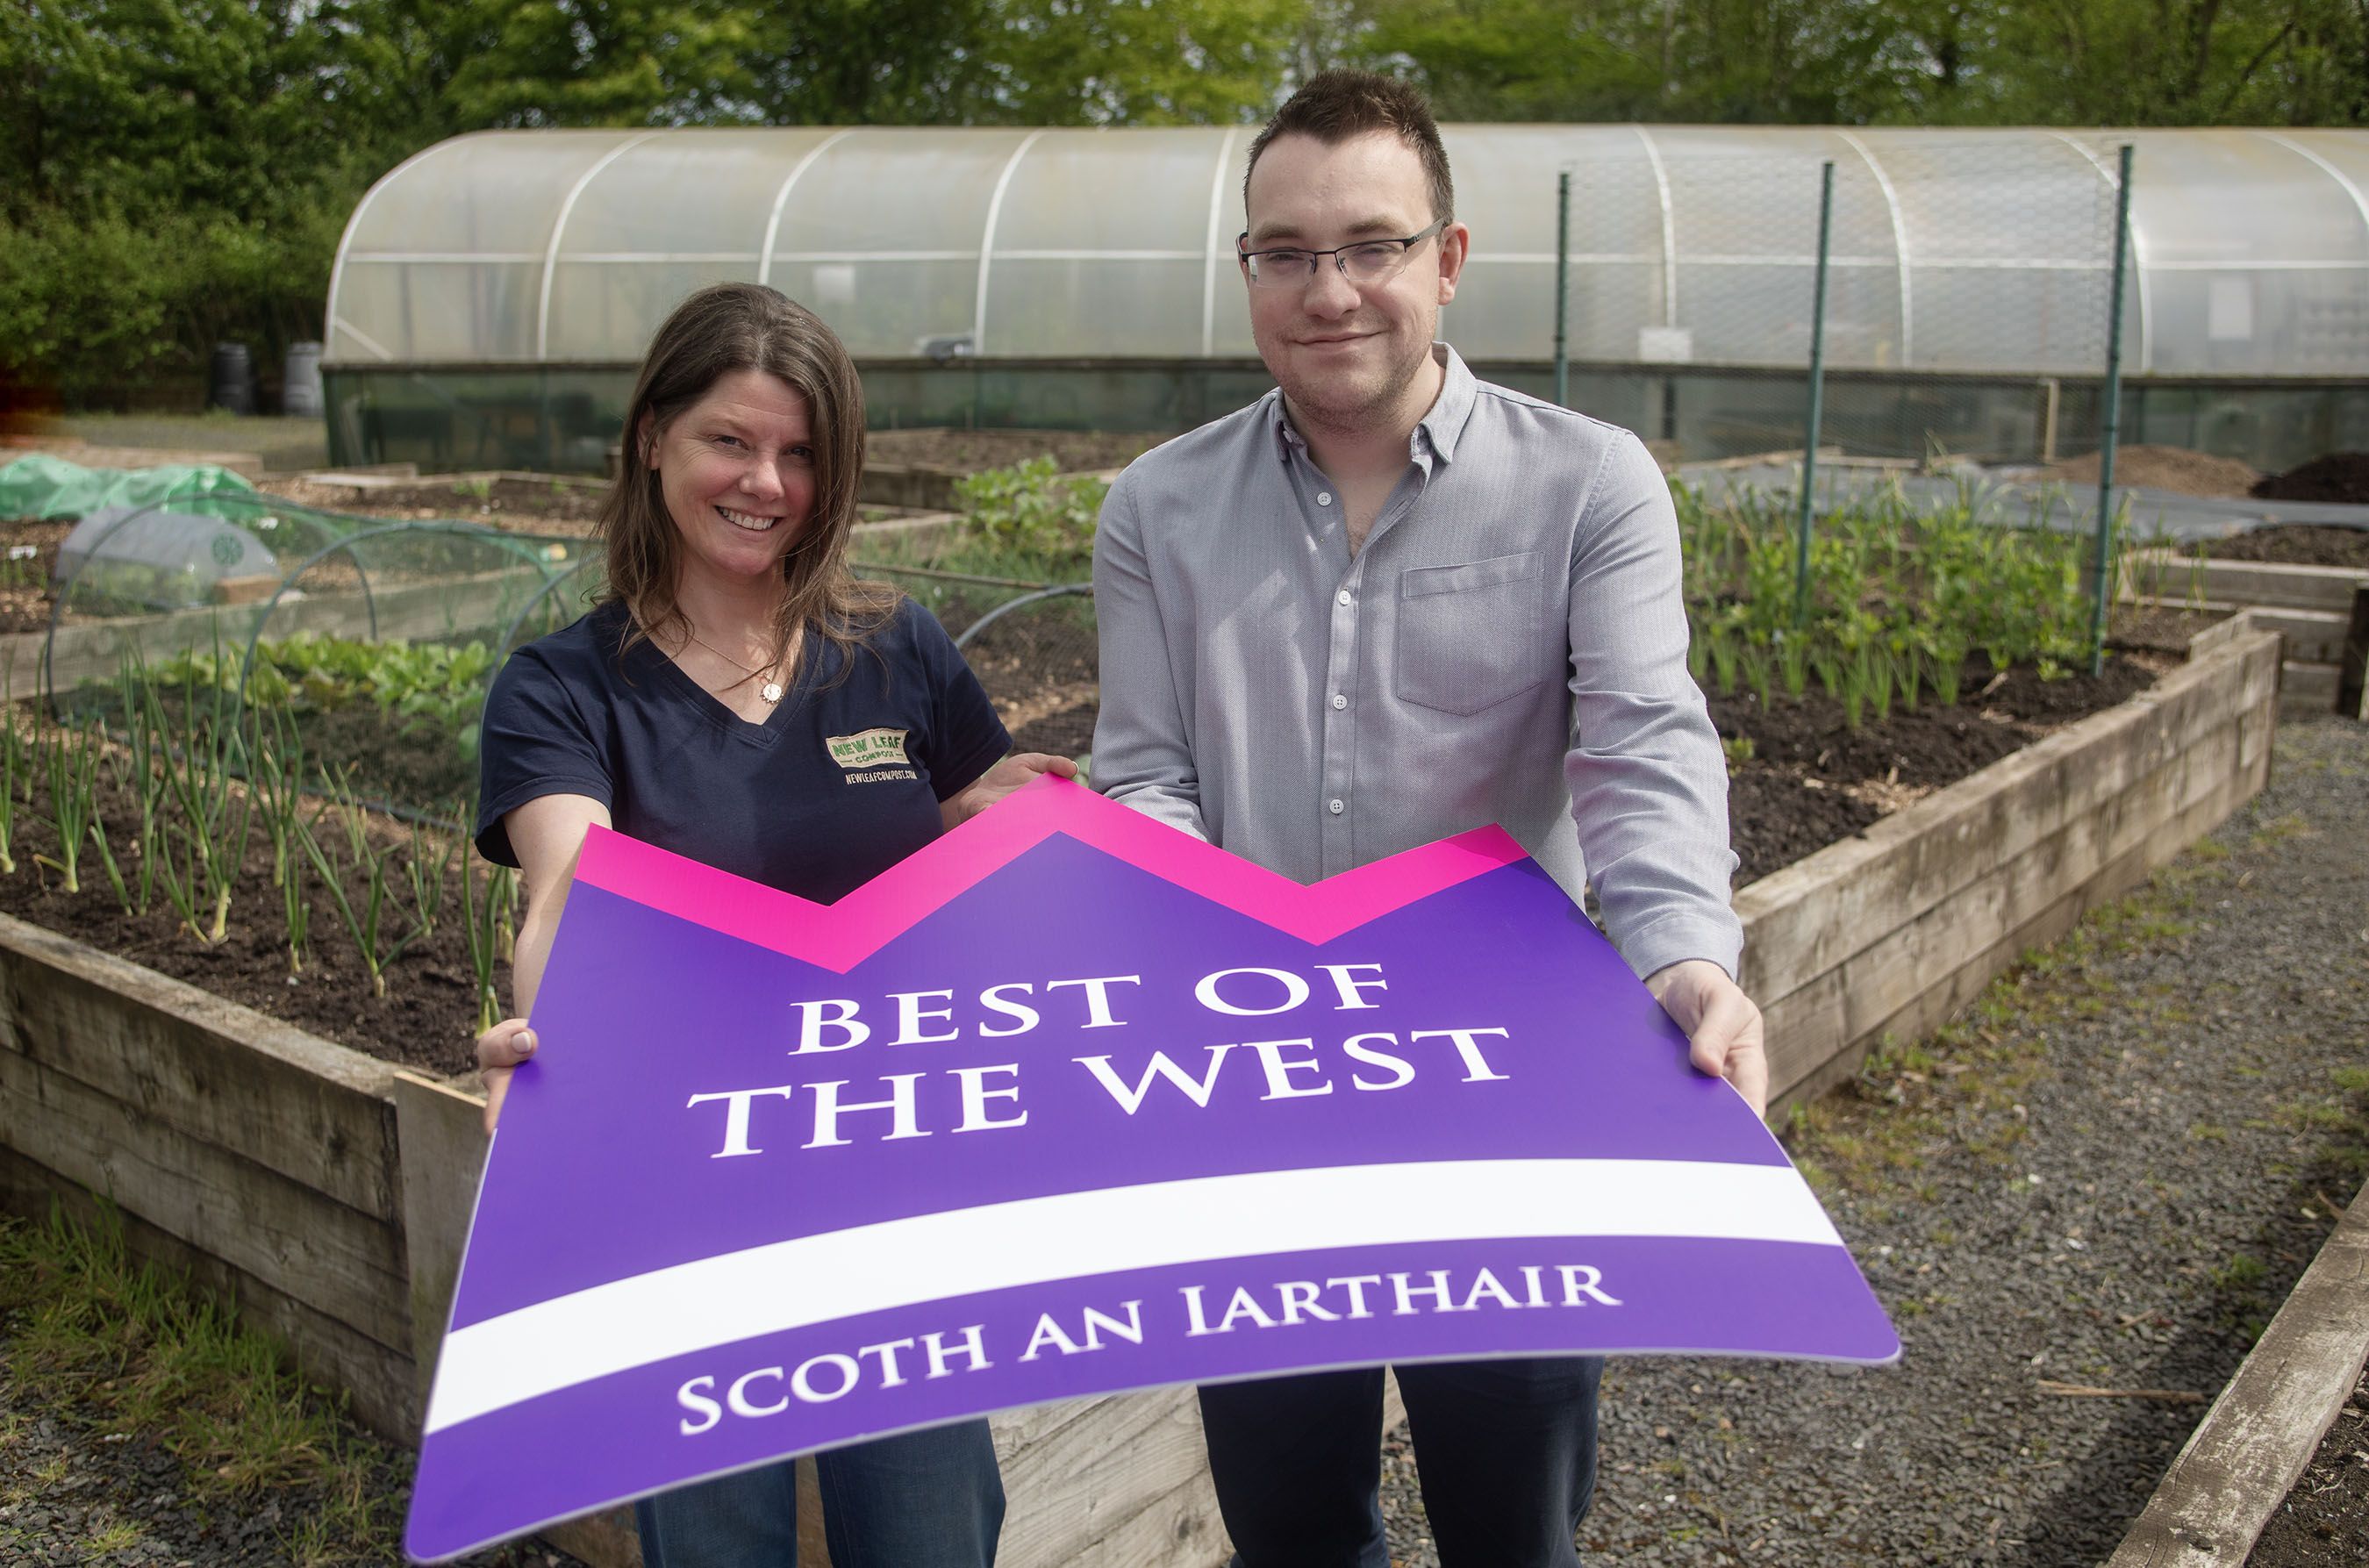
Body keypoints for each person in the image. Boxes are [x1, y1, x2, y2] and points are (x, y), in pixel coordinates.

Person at [1090, 71, 1767, 1568]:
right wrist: (1201, 944)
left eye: (1373, 245)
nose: (1330, 290)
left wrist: (1683, 956)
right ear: (1250, 269)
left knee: (1514, 1518)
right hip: (1255, 1099)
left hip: (1504, 1098)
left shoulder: (1589, 485)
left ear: (1446, 261)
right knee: (1287, 1519)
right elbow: (1145, 772)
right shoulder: (1158, 507)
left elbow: (1644, 741)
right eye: (1286, 251)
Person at [470, 282, 1071, 1567]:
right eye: (729, 442)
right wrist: (553, 1035)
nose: (767, 482)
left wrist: (1069, 819)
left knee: (931, 1531)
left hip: (897, 1180)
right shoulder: (565, 687)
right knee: (716, 1538)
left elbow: (975, 805)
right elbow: (570, 889)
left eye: (802, 453)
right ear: (652, 441)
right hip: (689, 1191)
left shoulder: (892, 646)